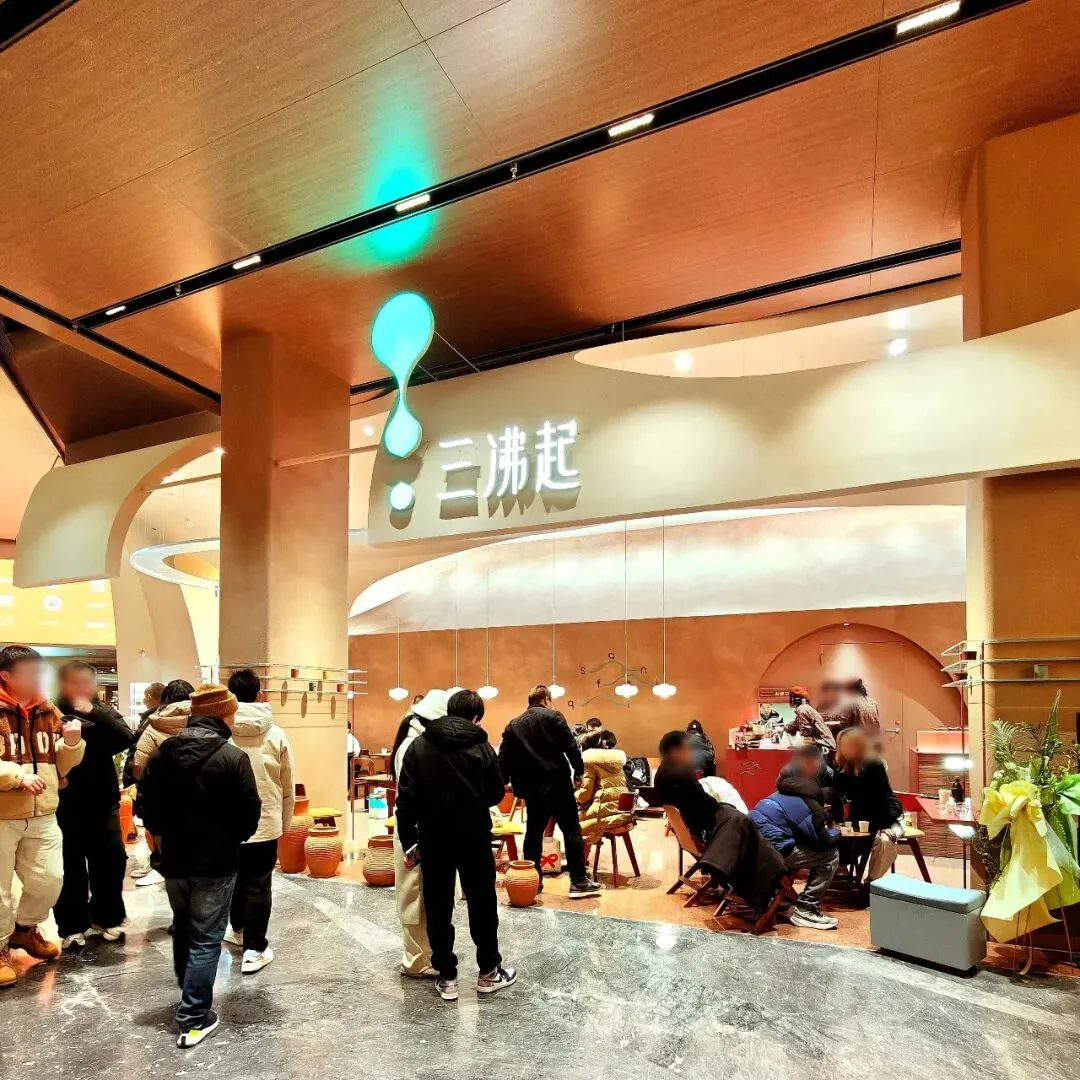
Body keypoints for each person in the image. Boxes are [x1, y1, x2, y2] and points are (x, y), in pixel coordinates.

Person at [136, 683, 260, 1049]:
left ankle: (188, 995)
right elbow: (249, 813)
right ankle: (193, 1017)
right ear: (223, 714)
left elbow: (146, 808)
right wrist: (229, 839)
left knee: (185, 928)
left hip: (174, 860)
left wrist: (165, 839)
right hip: (216, 862)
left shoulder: (163, 753)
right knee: (206, 937)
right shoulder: (232, 757)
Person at [396, 689, 515, 1002]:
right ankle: (488, 972)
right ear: (476, 718)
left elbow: (405, 799)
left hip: (433, 838)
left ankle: (447, 976)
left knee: (438, 905)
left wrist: (409, 843)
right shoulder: (481, 746)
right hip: (474, 837)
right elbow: (495, 793)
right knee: (482, 903)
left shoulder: (419, 745)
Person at [0, 645, 84, 988]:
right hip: (2, 814)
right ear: (6, 676)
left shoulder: (47, 709)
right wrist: (16, 777)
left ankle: (24, 930)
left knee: (50, 878)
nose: (38, 678)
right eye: (30, 673)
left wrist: (72, 745)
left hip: (44, 810)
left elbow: (60, 765)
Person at [53, 661, 136, 950]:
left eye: (86, 682)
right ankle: (72, 926)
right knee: (69, 868)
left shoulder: (103, 712)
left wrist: (95, 712)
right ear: (62, 684)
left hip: (102, 802)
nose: (81, 688)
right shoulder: (52, 712)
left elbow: (127, 738)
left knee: (111, 863)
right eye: (74, 682)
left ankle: (108, 918)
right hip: (63, 804)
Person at [222, 668, 294, 975]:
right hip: (265, 820)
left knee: (235, 878)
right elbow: (287, 783)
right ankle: (255, 948)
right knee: (259, 883)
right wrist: (285, 822)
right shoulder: (275, 734)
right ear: (260, 694)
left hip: (228, 823)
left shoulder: (222, 732)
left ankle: (237, 930)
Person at [499, 685, 600, 898]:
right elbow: (571, 747)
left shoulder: (513, 724)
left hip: (531, 788)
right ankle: (578, 881)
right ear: (546, 699)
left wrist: (505, 780)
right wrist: (578, 773)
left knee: (533, 833)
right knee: (571, 830)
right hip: (558, 784)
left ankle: (533, 880)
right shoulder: (554, 716)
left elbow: (504, 756)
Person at [389, 687, 451, 979]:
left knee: (421, 895)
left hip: (417, 831)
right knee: (413, 895)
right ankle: (414, 960)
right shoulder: (413, 747)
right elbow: (412, 798)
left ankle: (423, 955)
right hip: (414, 833)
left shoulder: (414, 742)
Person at [749, 746, 840, 930]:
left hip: (752, 850)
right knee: (830, 855)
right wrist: (837, 833)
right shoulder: (808, 803)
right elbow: (821, 841)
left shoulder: (777, 794)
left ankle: (776, 894)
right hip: (771, 855)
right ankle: (806, 908)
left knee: (794, 844)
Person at [832, 726, 903, 886]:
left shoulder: (873, 765)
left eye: (848, 744)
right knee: (839, 837)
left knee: (884, 842)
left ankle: (871, 884)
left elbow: (882, 799)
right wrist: (838, 820)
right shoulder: (841, 767)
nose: (844, 748)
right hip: (861, 818)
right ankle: (845, 872)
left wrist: (883, 826)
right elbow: (837, 796)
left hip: (888, 815)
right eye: (841, 745)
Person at [653, 730, 731, 844]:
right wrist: (723, 808)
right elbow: (704, 801)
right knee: (739, 819)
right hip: (699, 829)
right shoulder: (682, 771)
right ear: (675, 750)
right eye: (687, 748)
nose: (690, 753)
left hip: (683, 830)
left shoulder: (660, 772)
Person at [576, 730, 632, 846]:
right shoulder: (615, 761)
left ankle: (579, 856)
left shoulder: (588, 762)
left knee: (569, 824)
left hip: (603, 814)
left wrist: (574, 794)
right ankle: (585, 850)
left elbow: (585, 795)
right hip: (623, 814)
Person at [132, 679, 194, 781]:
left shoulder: (152, 725)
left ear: (165, 699)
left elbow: (139, 767)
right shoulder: (208, 724)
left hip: (161, 786)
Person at [785, 686, 836, 750]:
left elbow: (806, 734)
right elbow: (794, 725)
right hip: (827, 744)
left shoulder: (802, 709)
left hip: (825, 747)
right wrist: (784, 728)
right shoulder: (806, 708)